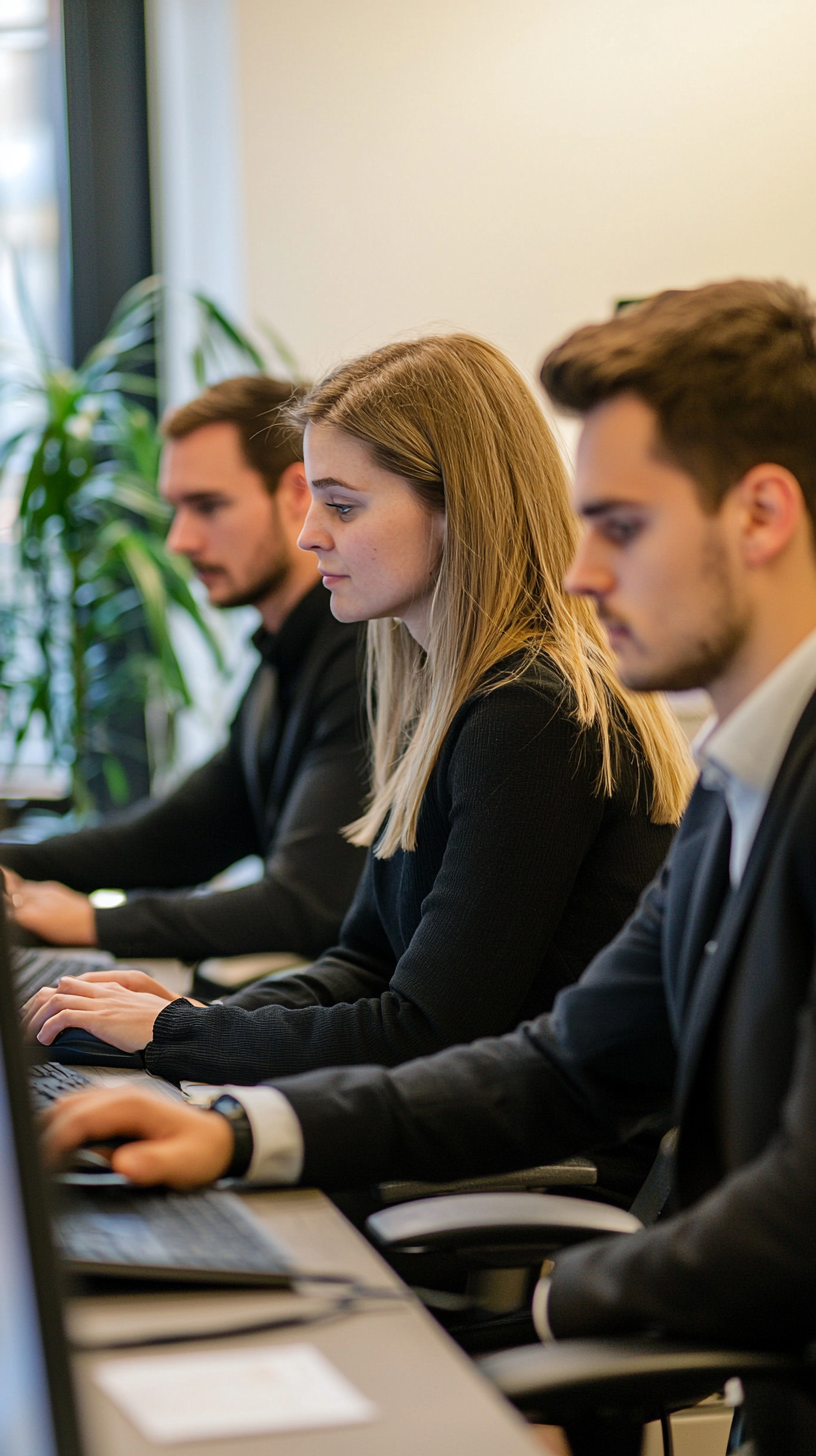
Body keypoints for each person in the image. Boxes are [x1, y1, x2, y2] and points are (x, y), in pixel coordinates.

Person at [42, 283, 816, 1451]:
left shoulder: (549, 718)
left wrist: (556, 1321)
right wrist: (236, 1114)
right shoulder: (733, 782)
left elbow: (788, 1206)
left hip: (643, 1290)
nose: (583, 572)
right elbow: (550, 1055)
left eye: (620, 525)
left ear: (760, 514)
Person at [24, 335, 688, 1123]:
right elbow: (363, 960)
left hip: (515, 1153)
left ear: (458, 510)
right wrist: (193, 1018)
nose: (309, 535)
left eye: (340, 505)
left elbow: (426, 1029)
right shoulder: (440, 694)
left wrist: (176, 1033)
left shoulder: (532, 712)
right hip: (428, 1121)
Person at [1, 376, 367, 962]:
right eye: (176, 509)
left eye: (208, 506)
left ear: (298, 493)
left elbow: (307, 905)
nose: (180, 540)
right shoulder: (283, 658)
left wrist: (96, 923)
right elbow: (174, 838)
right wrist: (13, 861)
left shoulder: (362, 657)